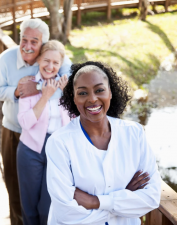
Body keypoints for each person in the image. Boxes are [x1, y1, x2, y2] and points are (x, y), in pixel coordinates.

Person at [46, 61, 161, 225]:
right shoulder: (59, 143)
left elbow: (151, 198)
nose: (92, 99)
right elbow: (66, 213)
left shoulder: (134, 134)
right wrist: (124, 200)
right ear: (74, 97)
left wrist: (96, 202)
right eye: (83, 93)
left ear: (110, 93)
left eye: (99, 90)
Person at [0, 18, 71, 225]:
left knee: (46, 198)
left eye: (34, 42)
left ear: (43, 44)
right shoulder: (6, 59)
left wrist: (41, 87)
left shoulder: (53, 60)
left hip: (48, 138)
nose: (27, 46)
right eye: (24, 39)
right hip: (14, 130)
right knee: (15, 188)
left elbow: (69, 81)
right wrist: (17, 91)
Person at [17, 40, 70, 225]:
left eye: (56, 63)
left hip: (58, 151)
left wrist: (68, 96)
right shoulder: (28, 84)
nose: (50, 66)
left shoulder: (65, 86)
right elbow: (25, 122)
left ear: (61, 65)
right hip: (31, 150)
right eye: (47, 60)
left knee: (48, 206)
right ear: (39, 59)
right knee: (29, 207)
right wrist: (45, 96)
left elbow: (75, 123)